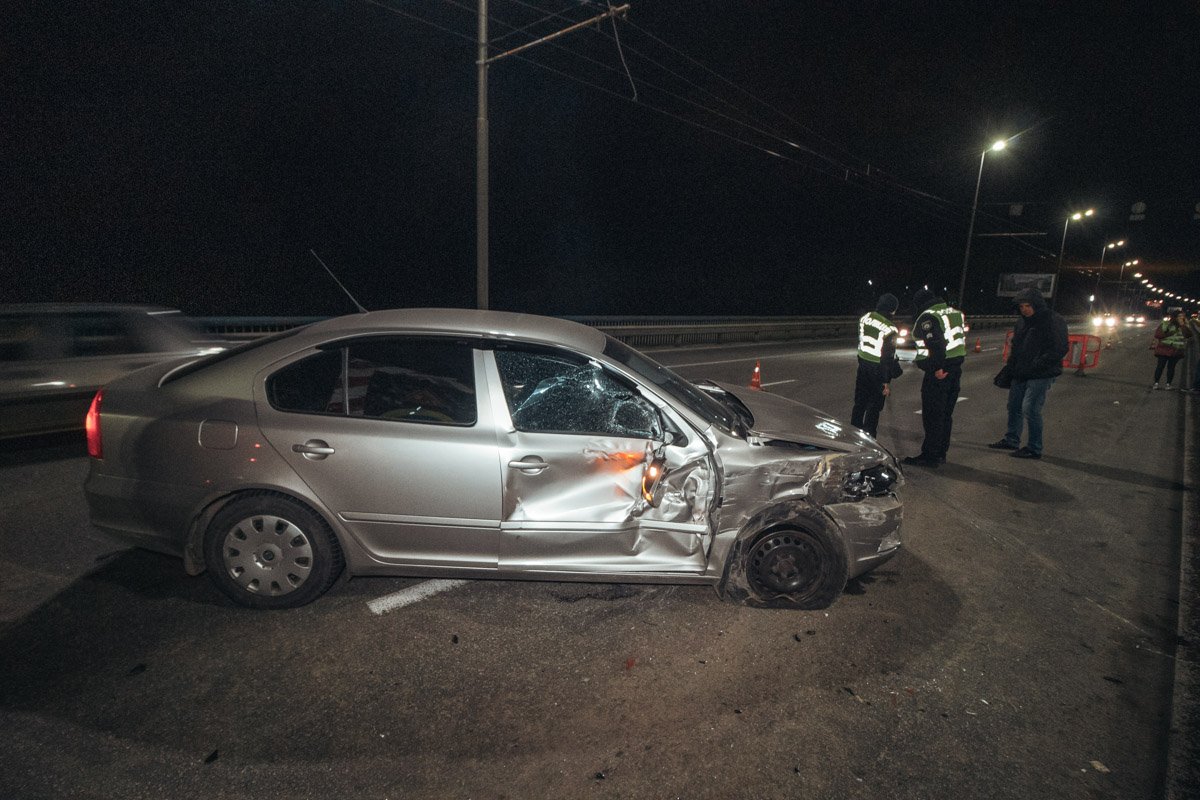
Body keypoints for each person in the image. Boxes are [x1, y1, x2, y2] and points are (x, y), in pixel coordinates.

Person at [987, 288, 1069, 459]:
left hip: (1041, 373)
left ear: (1037, 305)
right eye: (1022, 306)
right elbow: (1017, 347)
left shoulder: (1053, 320)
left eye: (1028, 306)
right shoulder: (1022, 322)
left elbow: (1060, 348)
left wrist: (1037, 365)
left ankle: (1034, 448)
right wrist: (1010, 368)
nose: (1024, 309)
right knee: (1014, 406)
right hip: (1020, 371)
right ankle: (1011, 439)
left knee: (1030, 409)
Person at [902, 288, 966, 468]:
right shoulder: (955, 313)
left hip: (940, 371)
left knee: (933, 415)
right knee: (946, 415)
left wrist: (937, 367)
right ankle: (940, 453)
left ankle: (930, 456)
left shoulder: (928, 317)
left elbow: (936, 343)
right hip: (955, 369)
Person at [850, 293, 902, 437]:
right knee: (873, 408)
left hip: (863, 365)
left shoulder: (865, 318)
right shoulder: (890, 328)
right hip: (877, 370)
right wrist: (885, 381)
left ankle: (853, 435)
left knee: (859, 404)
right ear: (892, 309)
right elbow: (887, 357)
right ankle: (869, 439)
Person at [1150, 308, 1192, 390]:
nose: (1181, 318)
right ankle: (1156, 383)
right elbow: (1158, 335)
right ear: (1175, 317)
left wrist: (1182, 325)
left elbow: (1188, 335)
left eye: (1182, 316)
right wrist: (1170, 333)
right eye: (1179, 316)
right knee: (1160, 366)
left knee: (1171, 368)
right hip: (1164, 349)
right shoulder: (1166, 324)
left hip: (1175, 351)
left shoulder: (1184, 326)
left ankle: (1168, 384)